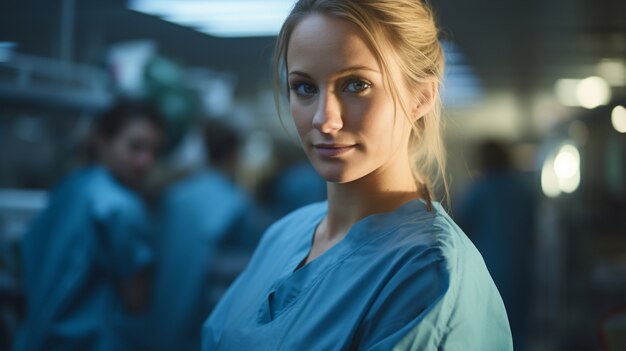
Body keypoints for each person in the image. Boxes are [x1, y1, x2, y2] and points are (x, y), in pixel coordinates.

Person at [202, 0, 512, 350]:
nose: (324, 119)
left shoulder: (426, 274)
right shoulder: (285, 235)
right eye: (305, 87)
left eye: (356, 85)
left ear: (421, 97)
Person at [14, 100, 164, 351]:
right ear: (102, 142)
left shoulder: (70, 185)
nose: (145, 162)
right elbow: (135, 299)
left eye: (154, 151)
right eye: (135, 146)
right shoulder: (121, 207)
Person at [144, 119, 267, 351]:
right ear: (234, 153)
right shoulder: (237, 205)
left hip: (160, 313)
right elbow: (245, 274)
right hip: (200, 320)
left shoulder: (174, 195)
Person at [455, 140, 536, 350]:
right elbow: (532, 233)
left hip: (489, 270)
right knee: (518, 329)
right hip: (521, 269)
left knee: (488, 330)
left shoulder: (478, 192)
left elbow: (460, 232)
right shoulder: (524, 191)